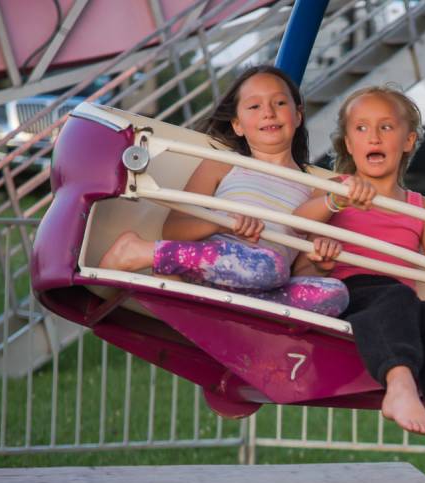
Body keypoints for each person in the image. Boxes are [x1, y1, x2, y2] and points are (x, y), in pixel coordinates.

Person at [293, 85, 425, 476]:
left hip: (398, 307)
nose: (374, 136)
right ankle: (399, 387)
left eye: (385, 127)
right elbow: (297, 237)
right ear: (349, 142)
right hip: (346, 295)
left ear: (408, 140)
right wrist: (333, 209)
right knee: (395, 296)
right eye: (362, 128)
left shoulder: (421, 208)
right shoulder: (332, 191)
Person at [99, 65, 348, 317]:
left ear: (298, 115)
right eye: (254, 107)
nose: (269, 113)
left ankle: (241, 321)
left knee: (335, 293)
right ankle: (140, 251)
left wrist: (320, 265)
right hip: (212, 271)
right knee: (268, 264)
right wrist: (222, 224)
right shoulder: (222, 164)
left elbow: (298, 272)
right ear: (238, 125)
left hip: (263, 288)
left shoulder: (317, 190)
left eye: (280, 103)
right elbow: (173, 229)